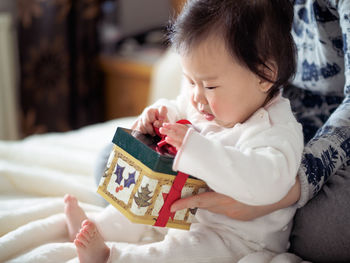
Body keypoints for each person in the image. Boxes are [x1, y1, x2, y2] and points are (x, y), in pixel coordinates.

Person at [66, 0, 304, 262]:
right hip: (185, 209)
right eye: (190, 82)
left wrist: (196, 149)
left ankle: (113, 257)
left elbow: (266, 184)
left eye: (210, 87)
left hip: (235, 238)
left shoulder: (275, 130)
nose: (197, 99)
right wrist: (159, 115)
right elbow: (181, 107)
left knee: (179, 252)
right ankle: (97, 226)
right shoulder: (204, 104)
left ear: (264, 76)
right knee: (140, 202)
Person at [168, 0, 350, 262]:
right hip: (254, 108)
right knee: (115, 161)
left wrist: (275, 196)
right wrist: (169, 115)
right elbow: (205, 63)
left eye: (208, 87)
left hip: (332, 139)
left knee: (324, 233)